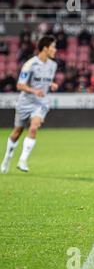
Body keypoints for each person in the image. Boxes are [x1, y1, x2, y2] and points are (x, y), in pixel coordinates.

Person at [1, 35, 58, 174]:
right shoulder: (30, 64)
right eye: (53, 47)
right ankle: (7, 158)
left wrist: (51, 84)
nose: (55, 50)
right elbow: (20, 85)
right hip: (25, 102)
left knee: (33, 128)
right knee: (17, 132)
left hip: (41, 103)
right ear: (45, 48)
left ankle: (23, 160)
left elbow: (44, 80)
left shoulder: (53, 65)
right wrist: (34, 90)